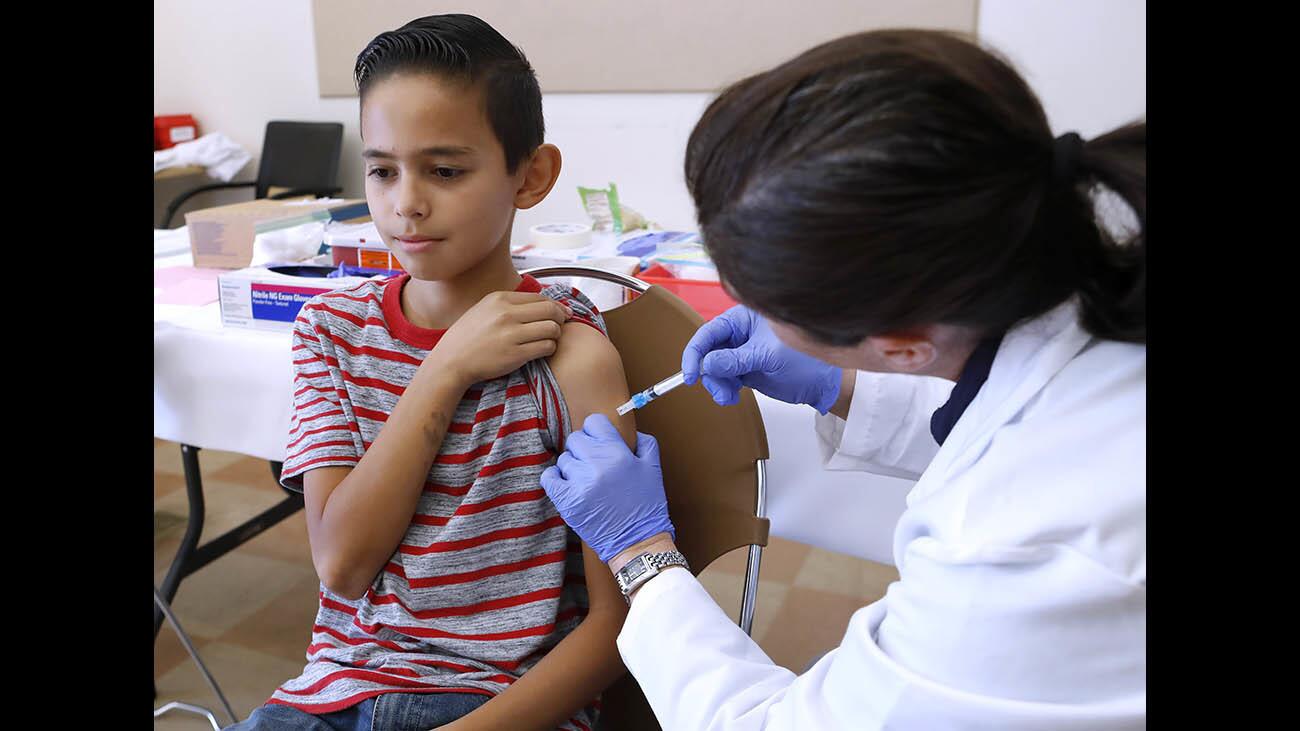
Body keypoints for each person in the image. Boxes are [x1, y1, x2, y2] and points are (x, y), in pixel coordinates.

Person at [540, 29, 1145, 730]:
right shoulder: (1072, 276)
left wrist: (640, 554)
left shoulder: (1017, 552)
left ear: (902, 344)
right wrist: (844, 385)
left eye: (769, 304)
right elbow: (1016, 405)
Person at [228, 15, 634, 731]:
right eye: (382, 169)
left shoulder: (571, 354)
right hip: (336, 693)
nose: (406, 202)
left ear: (531, 175)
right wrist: (444, 368)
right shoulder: (330, 333)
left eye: (445, 170)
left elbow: (619, 619)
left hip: (504, 704)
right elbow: (344, 565)